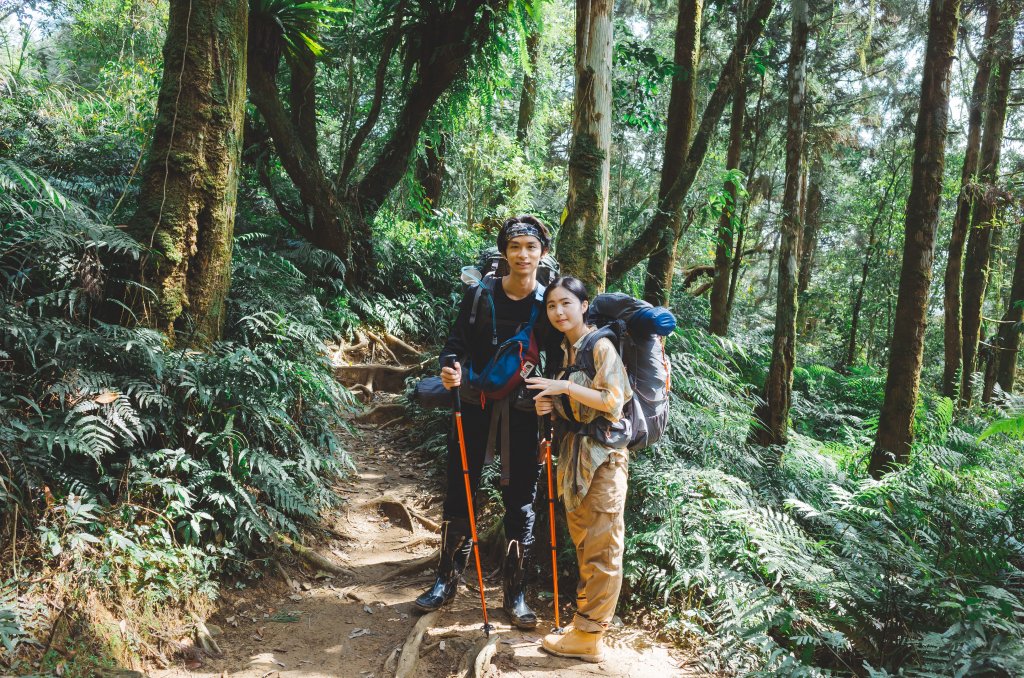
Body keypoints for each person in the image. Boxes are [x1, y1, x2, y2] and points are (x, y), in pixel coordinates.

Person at [413, 215, 552, 630]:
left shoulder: (550, 302)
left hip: (527, 413)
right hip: (474, 404)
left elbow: (563, 357)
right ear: (504, 253)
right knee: (461, 489)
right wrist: (449, 369)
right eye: (515, 247)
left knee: (522, 501)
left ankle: (516, 594)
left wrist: (555, 397)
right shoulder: (478, 295)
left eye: (530, 247)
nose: (523, 254)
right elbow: (455, 345)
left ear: (542, 252)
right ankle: (445, 581)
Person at [526, 276, 632, 664]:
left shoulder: (599, 345)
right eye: (552, 305)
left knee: (603, 548)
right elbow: (573, 405)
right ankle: (582, 624)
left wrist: (563, 389)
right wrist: (550, 405)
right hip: (575, 458)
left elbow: (613, 401)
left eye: (566, 303)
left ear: (584, 306)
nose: (558, 312)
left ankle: (590, 637)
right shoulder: (566, 351)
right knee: (586, 545)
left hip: (604, 460)